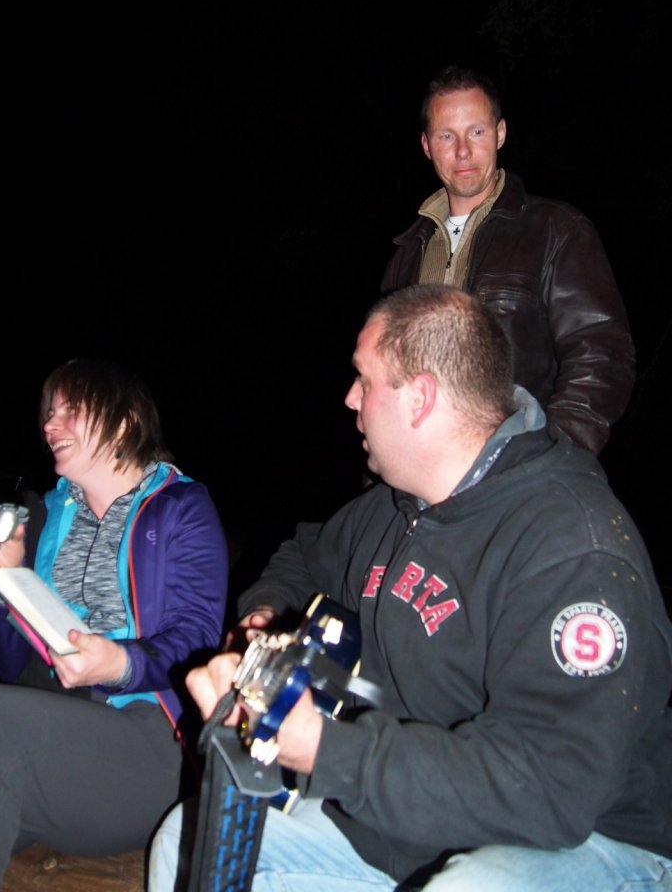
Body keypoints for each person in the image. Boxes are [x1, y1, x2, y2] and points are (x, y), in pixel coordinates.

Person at [149, 285, 671, 892]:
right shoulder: (398, 507)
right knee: (190, 838)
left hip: (594, 840)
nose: (350, 398)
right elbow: (305, 557)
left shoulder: (573, 546)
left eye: (364, 379)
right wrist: (264, 622)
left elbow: (550, 786)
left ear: (419, 399)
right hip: (416, 825)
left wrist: (324, 750)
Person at [0, 358, 230, 892]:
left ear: (124, 421)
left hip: (148, 745)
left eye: (70, 410)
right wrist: (2, 581)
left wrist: (121, 663)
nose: (49, 425)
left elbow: (196, 640)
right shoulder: (44, 516)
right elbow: (8, 663)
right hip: (49, 732)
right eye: (48, 413)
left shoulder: (180, 508)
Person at [380, 65, 635, 457]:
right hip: (421, 469)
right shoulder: (407, 253)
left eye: (476, 132)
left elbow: (601, 354)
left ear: (500, 133)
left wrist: (547, 458)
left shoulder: (555, 229)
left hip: (514, 470)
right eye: (447, 135)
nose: (462, 151)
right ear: (427, 146)